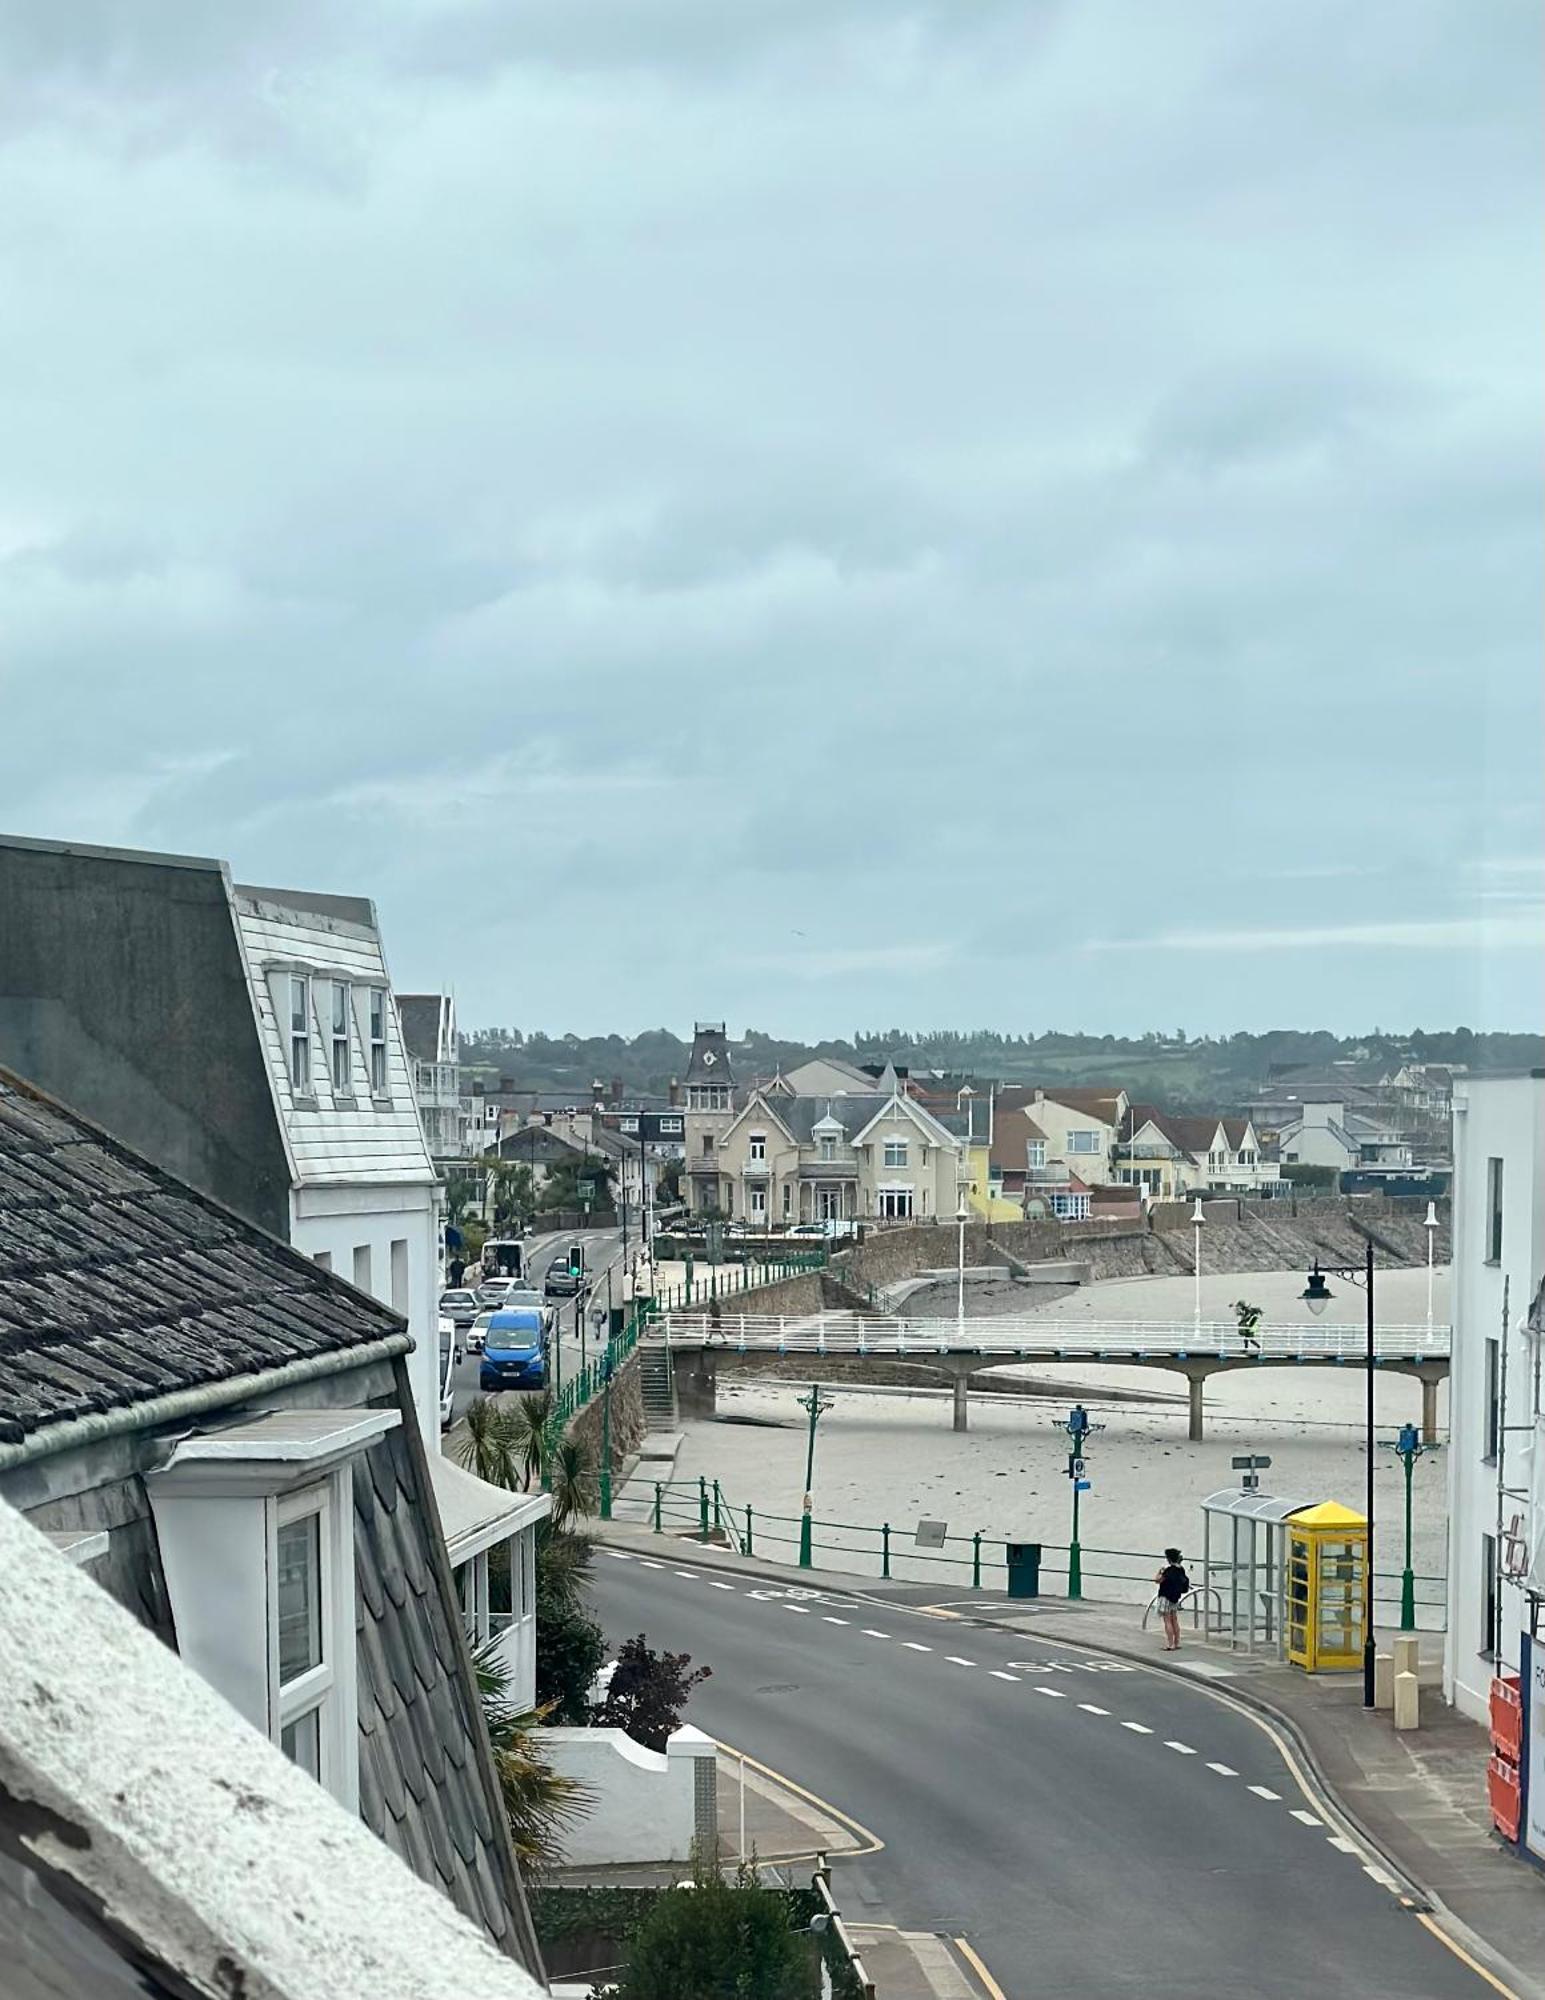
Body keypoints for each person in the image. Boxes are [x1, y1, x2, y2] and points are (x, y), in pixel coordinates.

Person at [1155, 1547, 1190, 1652]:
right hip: (1175, 1597)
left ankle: (1170, 1644)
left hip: (1165, 1597)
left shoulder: (1169, 1570)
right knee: (1174, 1620)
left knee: (1167, 1621)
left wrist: (1159, 1572)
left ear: (1169, 1559)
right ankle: (1177, 1643)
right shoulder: (1181, 1569)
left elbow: (1158, 1580)